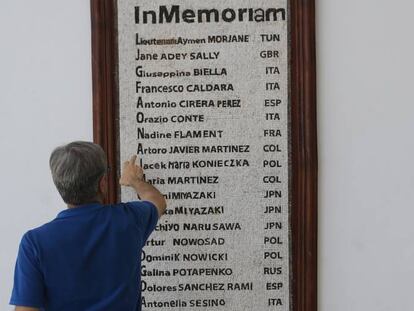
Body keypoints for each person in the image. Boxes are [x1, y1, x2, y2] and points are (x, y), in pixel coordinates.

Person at [9, 141, 167, 311]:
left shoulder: (34, 243)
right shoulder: (129, 220)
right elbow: (156, 200)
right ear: (102, 183)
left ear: (59, 184)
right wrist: (135, 181)